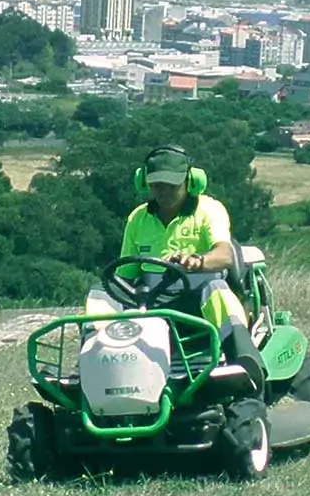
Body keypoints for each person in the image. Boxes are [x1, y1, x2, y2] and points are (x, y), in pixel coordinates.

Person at [97, 146, 259, 367]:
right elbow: (125, 275)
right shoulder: (138, 218)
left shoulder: (209, 210)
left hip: (198, 300)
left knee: (218, 291)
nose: (163, 193)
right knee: (99, 296)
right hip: (151, 302)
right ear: (144, 183)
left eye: (171, 186)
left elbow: (225, 255)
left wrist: (197, 262)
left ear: (191, 182)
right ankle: (92, 366)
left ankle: (245, 366)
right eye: (156, 186)